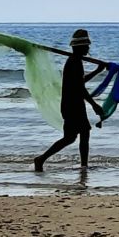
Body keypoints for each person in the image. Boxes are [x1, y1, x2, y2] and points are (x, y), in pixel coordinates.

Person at [34, 28, 106, 172]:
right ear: (80, 47)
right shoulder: (74, 62)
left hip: (72, 104)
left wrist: (98, 71)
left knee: (72, 137)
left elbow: (80, 82)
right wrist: (94, 105)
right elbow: (80, 87)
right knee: (80, 134)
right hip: (73, 105)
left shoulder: (75, 61)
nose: (88, 48)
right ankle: (83, 166)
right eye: (86, 46)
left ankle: (43, 159)